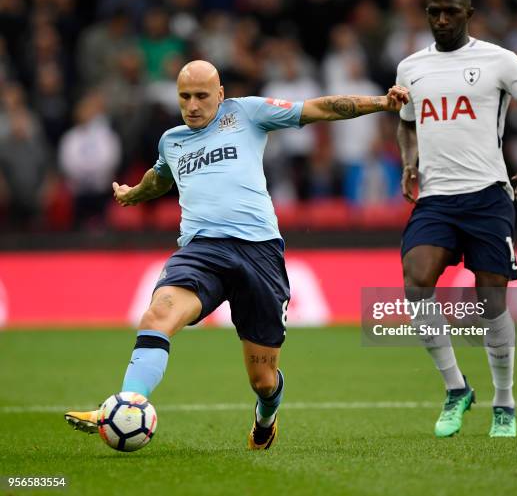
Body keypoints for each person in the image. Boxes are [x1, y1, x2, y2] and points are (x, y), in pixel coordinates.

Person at [64, 60, 409, 450]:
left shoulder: (246, 113)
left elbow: (320, 108)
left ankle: (266, 416)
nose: (192, 105)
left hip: (258, 254)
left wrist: (382, 102)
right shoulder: (172, 140)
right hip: (201, 250)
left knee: (262, 380)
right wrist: (132, 194)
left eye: (201, 96)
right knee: (158, 314)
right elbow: (158, 179)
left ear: (221, 94)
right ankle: (127, 403)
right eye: (184, 97)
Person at [395, 0, 517, 438]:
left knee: (491, 301)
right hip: (436, 199)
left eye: (449, 12)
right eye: (433, 12)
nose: (441, 20)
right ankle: (456, 388)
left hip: (488, 194)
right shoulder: (411, 67)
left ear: (468, 14)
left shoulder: (499, 61)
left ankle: (504, 401)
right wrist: (410, 163)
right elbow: (405, 124)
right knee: (415, 284)